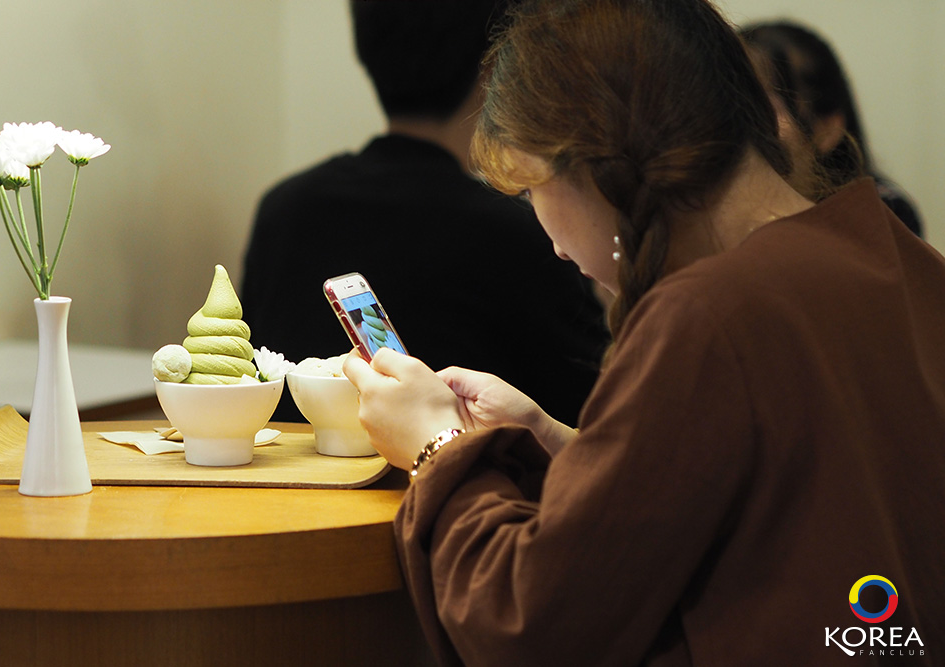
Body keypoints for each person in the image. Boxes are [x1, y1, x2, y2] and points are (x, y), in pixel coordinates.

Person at [342, 0, 945, 664]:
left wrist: (437, 445)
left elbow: (532, 619)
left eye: (531, 188)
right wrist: (557, 440)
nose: (554, 245)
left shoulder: (707, 315)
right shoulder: (899, 256)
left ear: (596, 161)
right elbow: (763, 494)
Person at [241, 0, 610, 425]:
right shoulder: (520, 230)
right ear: (493, 69)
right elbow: (593, 422)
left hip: (289, 470)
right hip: (456, 467)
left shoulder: (284, 209)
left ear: (367, 52)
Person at [741, 20, 925, 238]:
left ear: (827, 129)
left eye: (766, 105)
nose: (743, 123)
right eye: (733, 101)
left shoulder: (885, 213)